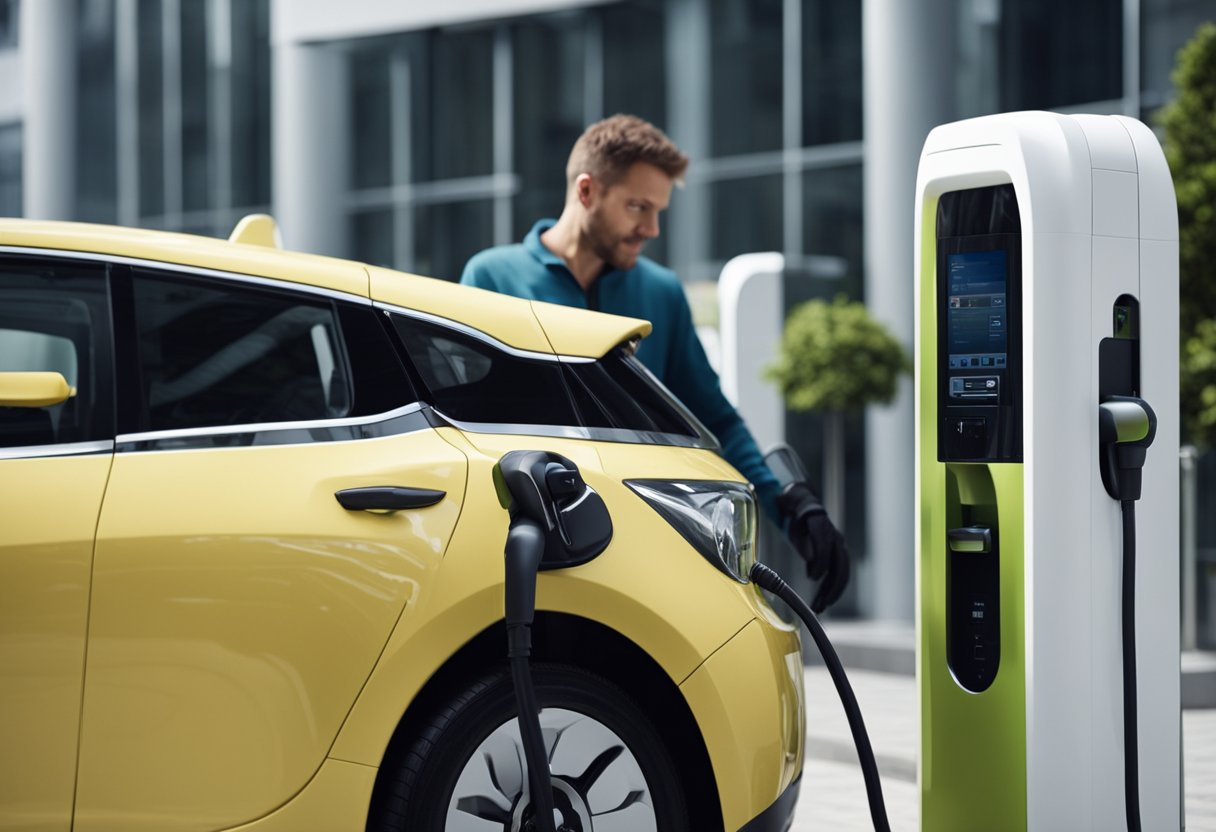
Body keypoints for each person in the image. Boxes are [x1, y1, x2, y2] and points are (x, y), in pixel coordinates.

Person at [461, 114, 849, 611]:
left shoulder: (661, 292)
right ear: (586, 191)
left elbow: (716, 419)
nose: (651, 228)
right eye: (638, 207)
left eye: (658, 211)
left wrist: (792, 509)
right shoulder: (491, 278)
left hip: (641, 556)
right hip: (529, 553)